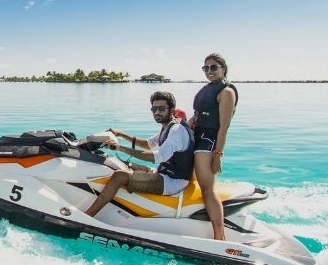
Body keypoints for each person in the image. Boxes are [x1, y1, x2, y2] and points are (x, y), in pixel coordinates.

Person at [83, 91, 194, 217]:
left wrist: (120, 148)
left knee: (119, 176)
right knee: (119, 163)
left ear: (172, 110)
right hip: (163, 173)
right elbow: (148, 144)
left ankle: (88, 216)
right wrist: (121, 134)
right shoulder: (168, 126)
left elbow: (157, 156)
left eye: (161, 109)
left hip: (173, 182)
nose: (157, 112)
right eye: (154, 109)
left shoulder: (177, 130)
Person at [188, 53, 238, 240]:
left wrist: (218, 154)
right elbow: (197, 114)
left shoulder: (227, 92)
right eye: (205, 68)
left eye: (214, 67)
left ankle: (219, 236)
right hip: (196, 137)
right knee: (189, 180)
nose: (209, 71)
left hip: (208, 142)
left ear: (223, 68)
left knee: (207, 188)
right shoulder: (207, 88)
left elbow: (224, 126)